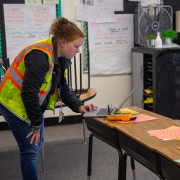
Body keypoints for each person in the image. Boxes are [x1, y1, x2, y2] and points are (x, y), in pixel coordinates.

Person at [0, 17, 97, 180]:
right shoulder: (40, 56)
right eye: (76, 46)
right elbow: (28, 93)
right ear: (64, 42)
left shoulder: (60, 57)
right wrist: (36, 123)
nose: (78, 51)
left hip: (29, 103)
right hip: (13, 103)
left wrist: (79, 106)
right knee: (30, 151)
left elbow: (62, 87)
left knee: (34, 146)